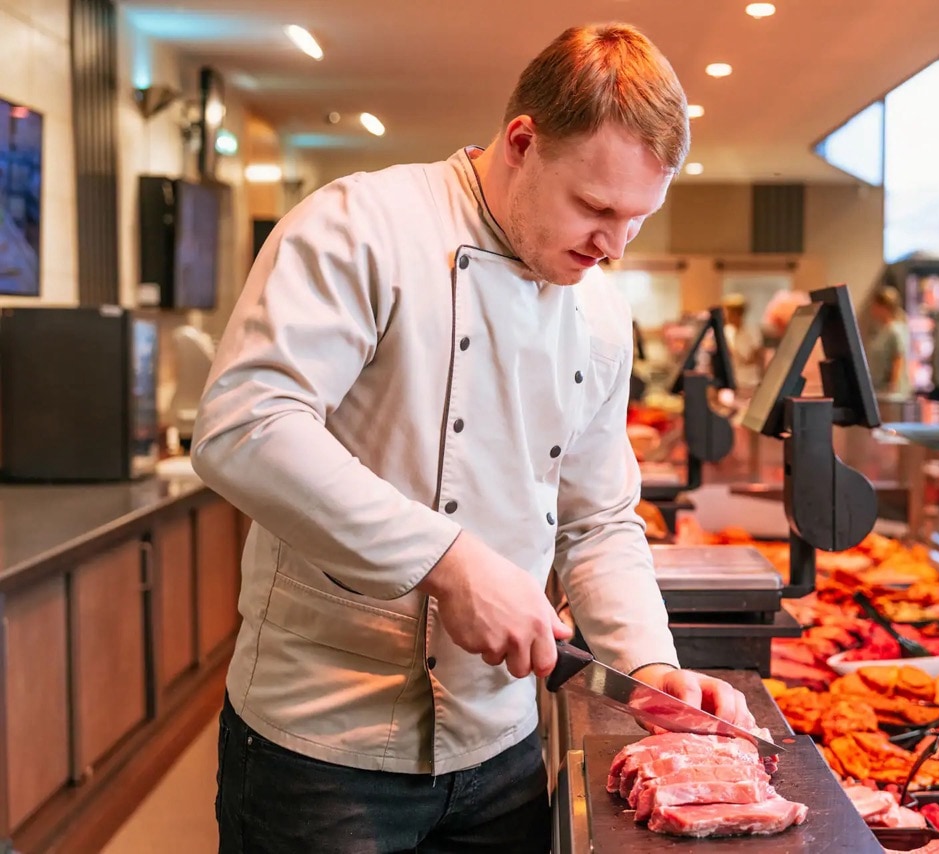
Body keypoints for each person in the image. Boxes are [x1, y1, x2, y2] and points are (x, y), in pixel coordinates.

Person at [191, 24, 756, 853]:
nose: (612, 246)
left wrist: (651, 669)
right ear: (522, 141)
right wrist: (449, 560)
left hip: (501, 748)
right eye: (596, 207)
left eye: (637, 219)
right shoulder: (362, 225)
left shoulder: (599, 309)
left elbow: (598, 519)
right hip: (321, 750)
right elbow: (246, 422)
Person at [865, 285, 912, 398]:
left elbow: (898, 358)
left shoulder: (895, 330)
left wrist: (893, 385)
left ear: (884, 307)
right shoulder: (880, 330)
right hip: (879, 388)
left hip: (891, 393)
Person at [721, 292, 762, 392]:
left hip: (750, 382)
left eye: (728, 311)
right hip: (731, 382)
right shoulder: (726, 332)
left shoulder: (752, 331)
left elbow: (756, 357)